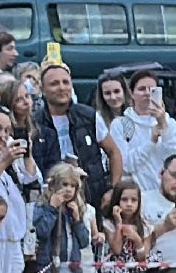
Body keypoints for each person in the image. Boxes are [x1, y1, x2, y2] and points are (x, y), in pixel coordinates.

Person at [32, 63, 117, 206]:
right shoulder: (34, 123)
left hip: (90, 199)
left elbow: (114, 152)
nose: (61, 87)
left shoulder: (89, 116)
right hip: (51, 202)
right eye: (54, 84)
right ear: (42, 90)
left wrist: (112, 190)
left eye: (65, 82)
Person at [107, 70, 176, 204]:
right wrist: (151, 142)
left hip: (165, 197)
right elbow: (126, 165)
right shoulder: (120, 125)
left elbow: (175, 161)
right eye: (141, 89)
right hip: (136, 199)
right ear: (132, 94)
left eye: (152, 90)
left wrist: (162, 124)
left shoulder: (171, 123)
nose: (146, 93)